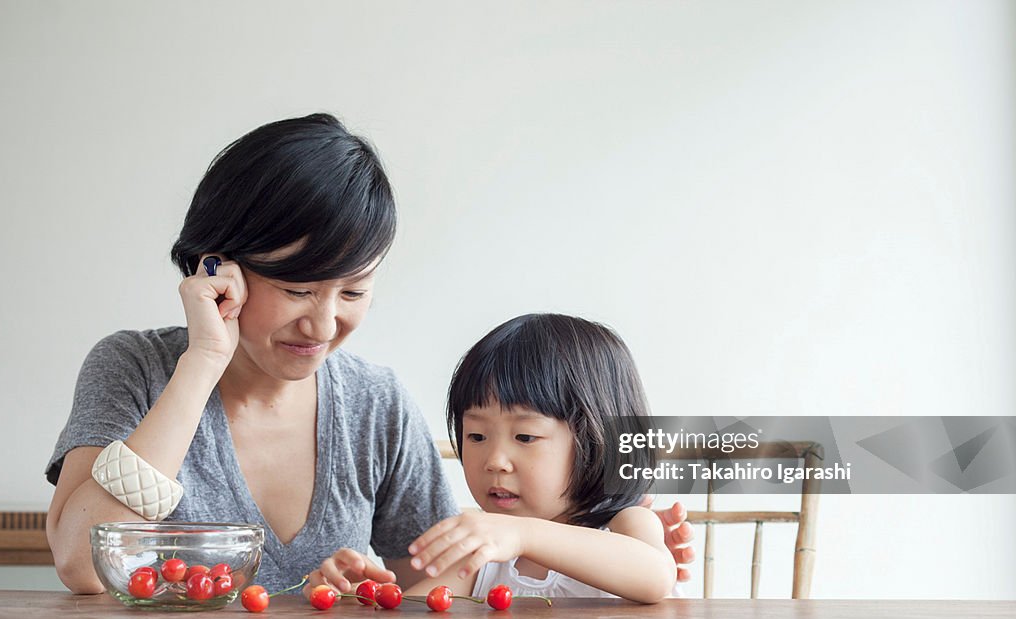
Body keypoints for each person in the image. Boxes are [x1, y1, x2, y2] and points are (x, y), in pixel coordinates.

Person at [44, 113, 695, 594]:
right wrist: (204, 360)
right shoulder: (133, 369)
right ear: (219, 266)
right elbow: (82, 561)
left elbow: (441, 581)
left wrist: (366, 591)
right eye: (298, 288)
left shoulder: (374, 404)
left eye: (353, 289)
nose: (324, 322)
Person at [310, 314, 680, 603]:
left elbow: (655, 577)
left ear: (594, 440)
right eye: (476, 436)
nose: (495, 461)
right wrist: (360, 596)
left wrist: (522, 534)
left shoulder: (626, 524)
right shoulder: (481, 551)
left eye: (525, 436)